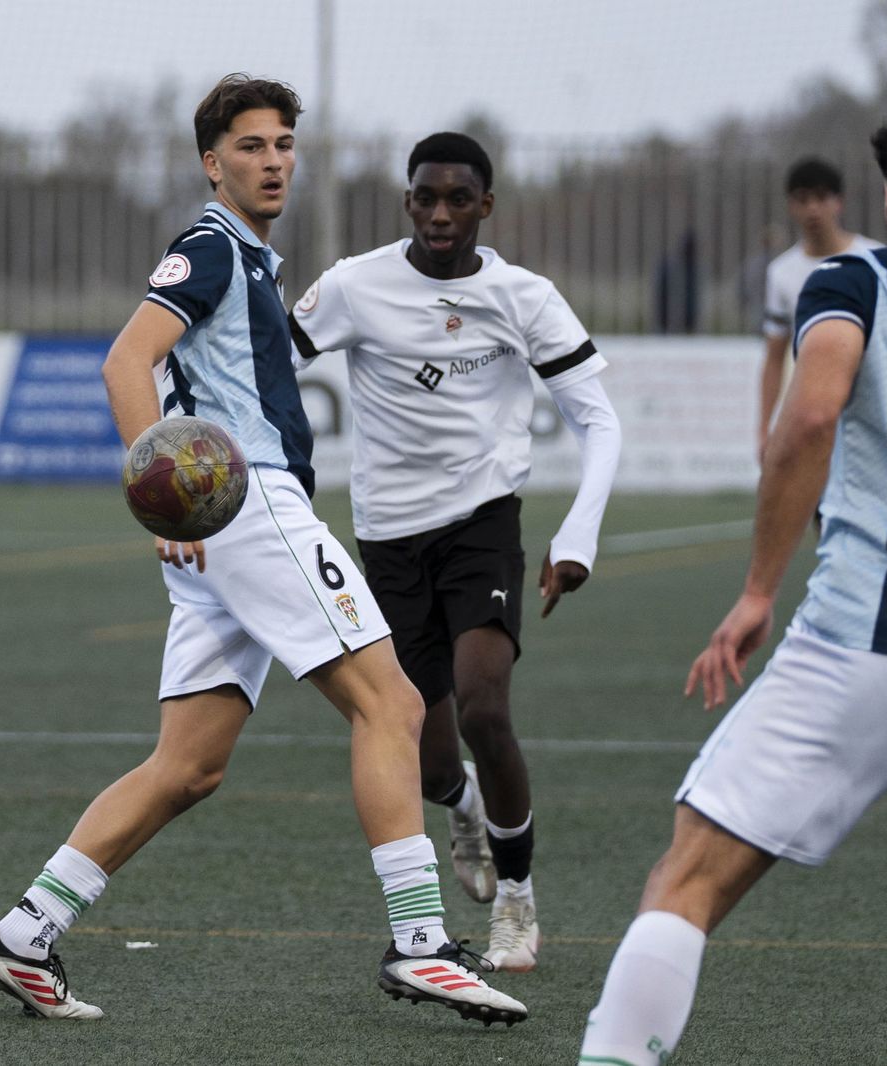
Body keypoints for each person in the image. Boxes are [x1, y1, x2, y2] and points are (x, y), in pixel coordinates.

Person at [0, 74, 526, 1027]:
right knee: (389, 701)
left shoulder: (252, 261)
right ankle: (422, 946)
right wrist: (161, 503)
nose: (274, 162)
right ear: (211, 161)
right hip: (248, 507)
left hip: (224, 525)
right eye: (253, 146)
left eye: (284, 145)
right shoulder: (212, 247)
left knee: (188, 766)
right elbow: (124, 361)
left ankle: (24, 934)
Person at [577, 96, 887, 1066]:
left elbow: (808, 419)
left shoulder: (856, 279)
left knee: (689, 878)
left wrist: (758, 589)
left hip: (861, 647)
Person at [289, 132, 621, 973]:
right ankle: (463, 804)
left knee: (484, 708)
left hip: (482, 527)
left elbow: (598, 419)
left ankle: (516, 899)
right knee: (431, 756)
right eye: (426, 198)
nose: (441, 214)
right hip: (389, 541)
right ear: (407, 202)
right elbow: (269, 364)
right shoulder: (356, 285)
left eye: (458, 200)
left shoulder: (525, 297)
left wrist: (578, 531)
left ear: (486, 206)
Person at [757, 158, 880, 461]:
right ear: (791, 206)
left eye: (821, 198)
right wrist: (763, 428)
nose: (813, 208)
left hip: (873, 409)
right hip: (812, 410)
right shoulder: (781, 272)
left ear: (839, 202)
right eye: (802, 199)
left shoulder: (877, 258)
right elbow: (774, 356)